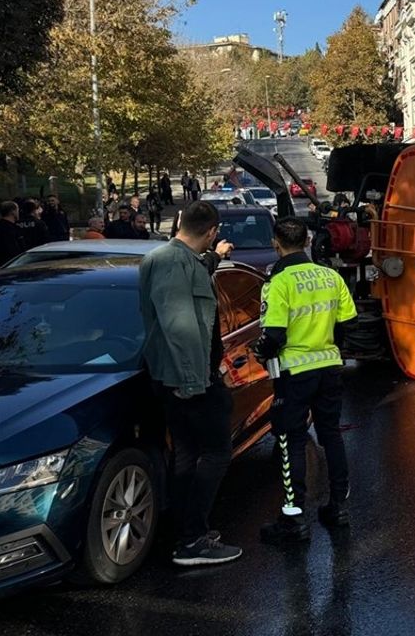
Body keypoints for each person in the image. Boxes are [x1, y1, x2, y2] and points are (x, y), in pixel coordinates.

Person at [138, 201, 242, 566]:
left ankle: (184, 529)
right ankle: (193, 540)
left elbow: (194, 279)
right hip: (188, 380)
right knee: (216, 454)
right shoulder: (170, 263)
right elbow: (179, 327)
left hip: (184, 378)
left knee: (187, 456)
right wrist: (194, 382)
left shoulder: (180, 260)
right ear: (212, 231)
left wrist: (215, 257)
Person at [254, 216, 356, 544]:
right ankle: (338, 507)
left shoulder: (278, 283)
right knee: (331, 436)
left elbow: (273, 335)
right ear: (309, 241)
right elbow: (345, 324)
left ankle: (294, 519)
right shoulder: (330, 276)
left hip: (294, 373)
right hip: (329, 367)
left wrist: (261, 353)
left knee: (291, 442)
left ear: (276, 243)